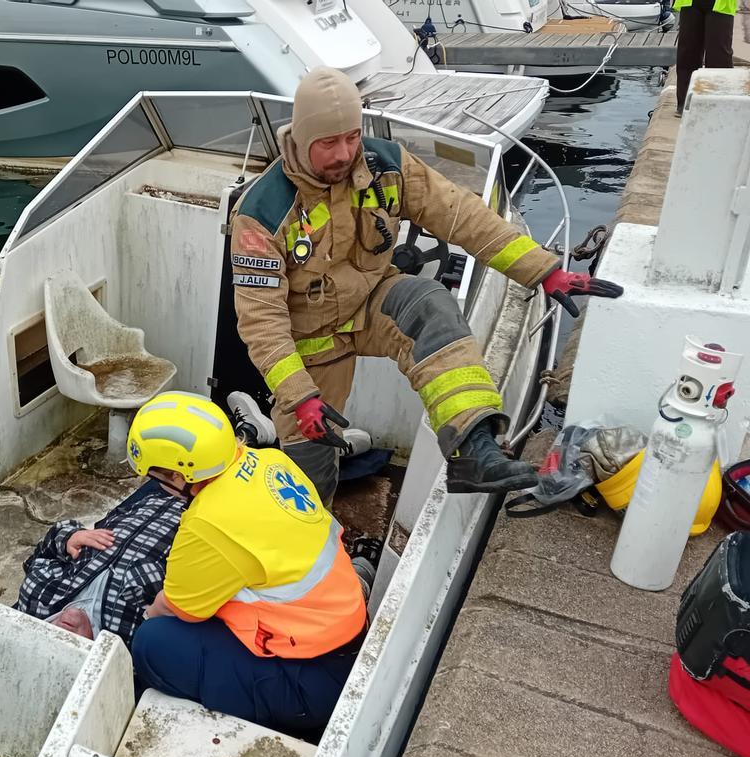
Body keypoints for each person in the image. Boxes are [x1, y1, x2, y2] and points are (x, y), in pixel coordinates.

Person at [229, 67, 623, 506]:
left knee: (430, 303)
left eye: (352, 137)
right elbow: (261, 321)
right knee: (308, 474)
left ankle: (474, 449)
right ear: (302, 139)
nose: (345, 153)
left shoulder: (386, 168)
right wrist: (300, 397)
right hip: (308, 343)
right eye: (328, 143)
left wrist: (544, 270)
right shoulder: (263, 213)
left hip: (371, 306)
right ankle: (305, 527)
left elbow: (460, 215)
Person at [126, 391, 370, 734]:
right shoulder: (271, 461)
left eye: (156, 477)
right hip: (346, 627)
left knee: (153, 643)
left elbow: (177, 609)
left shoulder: (208, 523)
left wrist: (146, 615)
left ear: (178, 477)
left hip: (312, 683)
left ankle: (270, 722)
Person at [17, 481, 184, 645]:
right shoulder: (129, 637)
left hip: (146, 502)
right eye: (70, 645)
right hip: (190, 518)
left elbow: (43, 552)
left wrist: (69, 537)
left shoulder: (37, 598)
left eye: (52, 641)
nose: (63, 635)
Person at [674, 0, 736, 116]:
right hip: (690, 3)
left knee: (719, 57)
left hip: (721, 4)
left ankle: (720, 104)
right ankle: (686, 103)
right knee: (687, 53)